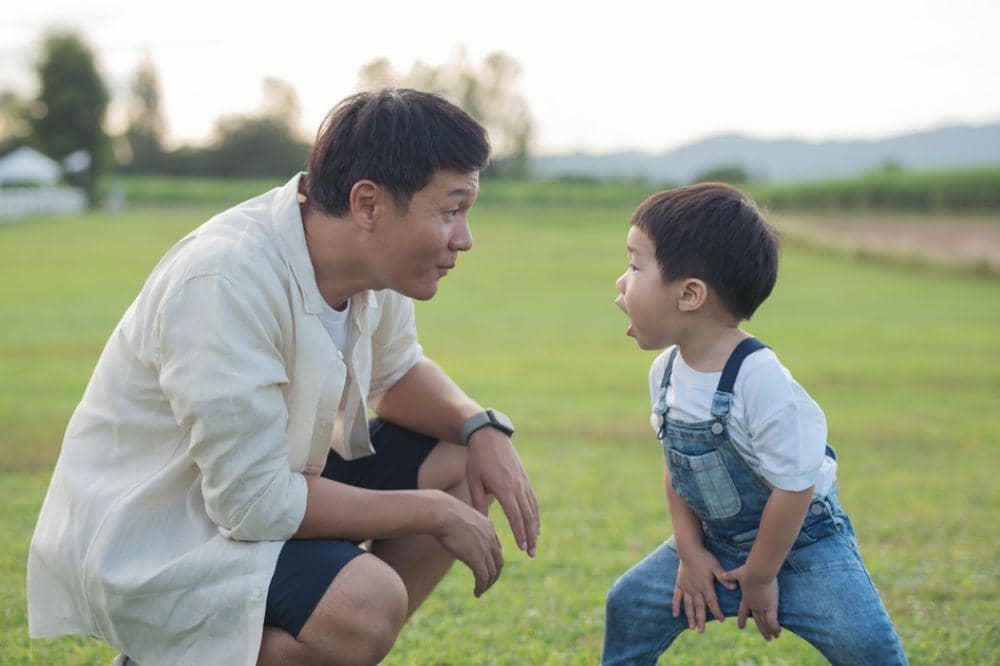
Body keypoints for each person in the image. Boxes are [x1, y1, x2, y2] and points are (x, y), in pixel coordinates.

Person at [28, 89, 539, 666]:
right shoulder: (225, 277)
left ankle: (319, 646)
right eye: (450, 211)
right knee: (365, 601)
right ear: (367, 204)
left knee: (456, 457)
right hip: (165, 532)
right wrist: (434, 512)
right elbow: (254, 504)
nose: (464, 238)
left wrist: (482, 428)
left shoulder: (371, 268)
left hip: (264, 491)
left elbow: (395, 376)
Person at [602, 183, 906, 665]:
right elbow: (678, 468)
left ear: (690, 294)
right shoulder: (665, 373)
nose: (621, 281)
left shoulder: (760, 380)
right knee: (630, 603)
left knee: (865, 645)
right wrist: (690, 552)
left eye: (635, 266)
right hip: (715, 544)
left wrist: (762, 576)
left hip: (806, 548)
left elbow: (794, 487)